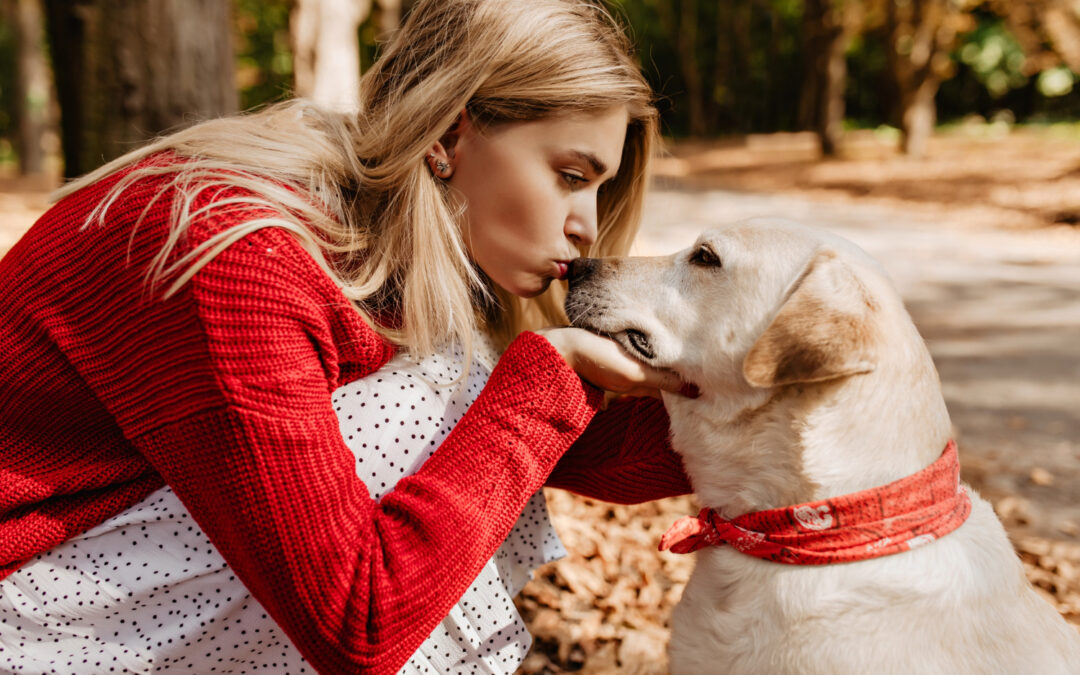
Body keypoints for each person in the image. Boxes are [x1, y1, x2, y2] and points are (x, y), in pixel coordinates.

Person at [0, 0, 695, 672]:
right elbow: (357, 625)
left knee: (463, 395)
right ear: (449, 134)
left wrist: (770, 389)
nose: (585, 225)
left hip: (97, 580)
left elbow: (581, 445)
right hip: (22, 612)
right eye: (570, 176)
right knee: (432, 403)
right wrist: (547, 379)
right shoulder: (243, 253)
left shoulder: (407, 243)